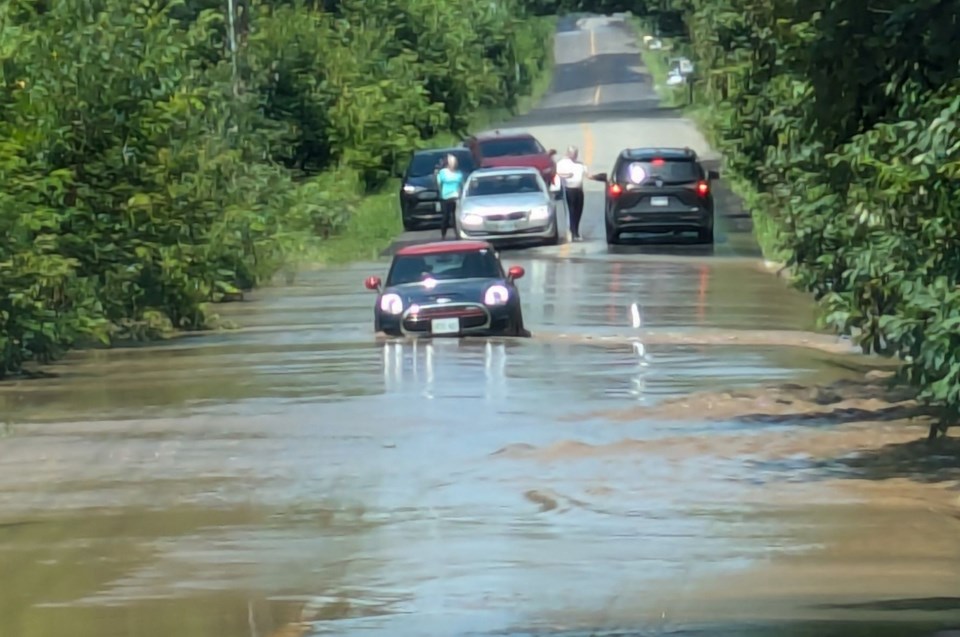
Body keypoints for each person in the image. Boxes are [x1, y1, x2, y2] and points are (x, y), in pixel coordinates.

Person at [555, 145, 590, 241]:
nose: (575, 156)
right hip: (569, 190)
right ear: (568, 153)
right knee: (571, 211)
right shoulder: (562, 163)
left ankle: (576, 231)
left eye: (576, 154)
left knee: (578, 211)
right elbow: (557, 173)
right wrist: (567, 175)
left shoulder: (580, 164)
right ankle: (572, 232)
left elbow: (588, 175)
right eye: (573, 154)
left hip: (579, 190)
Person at [436, 154, 464, 240]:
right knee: (446, 217)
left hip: (456, 197)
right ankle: (443, 235)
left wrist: (461, 194)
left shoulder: (459, 173)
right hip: (445, 197)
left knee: (455, 216)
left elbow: (462, 185)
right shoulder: (443, 172)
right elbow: (439, 184)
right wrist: (440, 194)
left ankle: (457, 234)